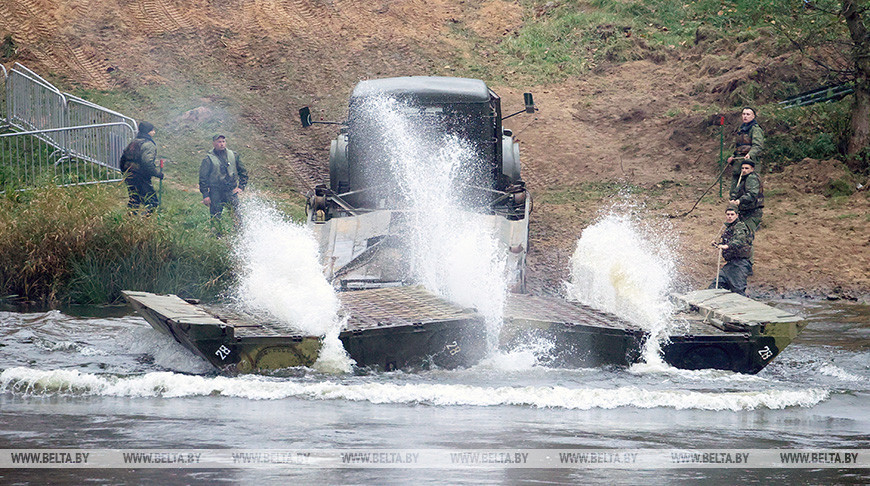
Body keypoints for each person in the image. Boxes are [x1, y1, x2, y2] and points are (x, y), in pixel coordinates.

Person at [199, 134, 248, 221]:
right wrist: (205, 195)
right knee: (215, 217)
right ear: (214, 143)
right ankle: (217, 233)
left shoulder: (233, 155)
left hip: (231, 191)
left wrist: (241, 187)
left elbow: (243, 172)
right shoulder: (208, 159)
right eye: (219, 142)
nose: (222, 144)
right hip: (216, 192)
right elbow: (203, 178)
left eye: (223, 141)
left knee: (237, 216)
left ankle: (239, 233)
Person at [709, 205, 753, 295]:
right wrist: (718, 245)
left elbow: (740, 240)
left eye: (732, 214)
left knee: (738, 291)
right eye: (728, 214)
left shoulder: (740, 226)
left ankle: (743, 307)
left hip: (740, 264)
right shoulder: (729, 228)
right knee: (715, 285)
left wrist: (727, 246)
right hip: (730, 265)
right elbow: (726, 243)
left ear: (737, 215)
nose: (730, 216)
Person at [120, 121, 163, 213]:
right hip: (140, 176)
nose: (154, 132)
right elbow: (147, 162)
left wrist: (124, 173)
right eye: (152, 130)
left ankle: (130, 222)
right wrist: (157, 174)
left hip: (129, 175)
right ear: (148, 132)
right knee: (152, 202)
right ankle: (146, 222)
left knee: (134, 200)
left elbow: (122, 159)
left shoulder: (133, 142)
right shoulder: (148, 145)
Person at [727, 107, 764, 196]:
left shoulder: (756, 129)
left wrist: (750, 154)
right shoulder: (741, 129)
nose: (745, 116)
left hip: (751, 162)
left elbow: (758, 146)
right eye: (743, 114)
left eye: (748, 114)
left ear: (753, 116)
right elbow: (738, 146)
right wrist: (732, 156)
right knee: (735, 188)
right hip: (738, 162)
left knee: (750, 186)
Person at [729, 160, 764, 234]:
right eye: (742, 168)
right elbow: (737, 191)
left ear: (752, 169)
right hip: (745, 210)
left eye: (746, 168)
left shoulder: (752, 178)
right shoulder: (744, 178)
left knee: (746, 234)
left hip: (752, 212)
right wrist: (733, 199)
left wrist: (740, 200)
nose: (744, 170)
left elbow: (752, 194)